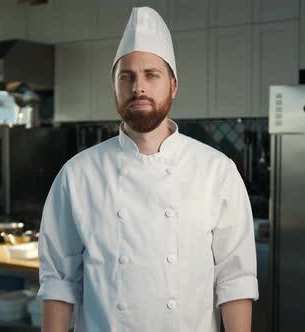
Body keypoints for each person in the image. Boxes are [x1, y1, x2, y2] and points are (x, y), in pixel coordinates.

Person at [38, 6, 258, 332]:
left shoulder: (217, 172)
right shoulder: (77, 175)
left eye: (151, 75)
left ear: (172, 86)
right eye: (126, 76)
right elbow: (59, 282)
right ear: (114, 87)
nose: (138, 87)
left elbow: (235, 279)